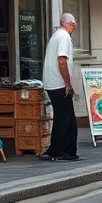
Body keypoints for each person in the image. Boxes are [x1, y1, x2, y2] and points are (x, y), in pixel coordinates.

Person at [41, 13, 79, 162]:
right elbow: (62, 60)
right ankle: (60, 150)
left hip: (52, 83)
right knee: (65, 117)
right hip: (59, 84)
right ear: (67, 24)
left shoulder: (56, 35)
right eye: (73, 25)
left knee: (63, 116)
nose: (74, 28)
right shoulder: (63, 37)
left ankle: (60, 148)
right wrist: (67, 83)